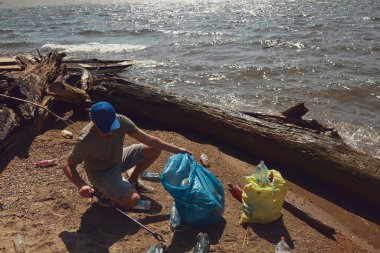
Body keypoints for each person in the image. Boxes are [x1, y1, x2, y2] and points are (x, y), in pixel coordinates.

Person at [63, 101, 190, 210]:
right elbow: (69, 166)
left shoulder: (121, 120)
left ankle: (132, 180)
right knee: (133, 200)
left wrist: (177, 149)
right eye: (105, 129)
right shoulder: (85, 140)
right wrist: (81, 185)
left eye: (112, 127)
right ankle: (103, 193)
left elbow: (149, 140)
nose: (110, 131)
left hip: (119, 157)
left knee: (154, 149)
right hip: (101, 172)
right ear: (93, 122)